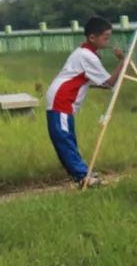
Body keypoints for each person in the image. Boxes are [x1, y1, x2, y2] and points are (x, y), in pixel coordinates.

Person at [45, 16, 126, 186]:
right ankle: (82, 176)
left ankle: (80, 173)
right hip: (62, 99)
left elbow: (97, 83)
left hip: (63, 99)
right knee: (64, 139)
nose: (107, 41)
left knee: (67, 138)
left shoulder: (85, 52)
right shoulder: (87, 56)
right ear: (92, 37)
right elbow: (109, 83)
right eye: (105, 38)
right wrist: (123, 61)